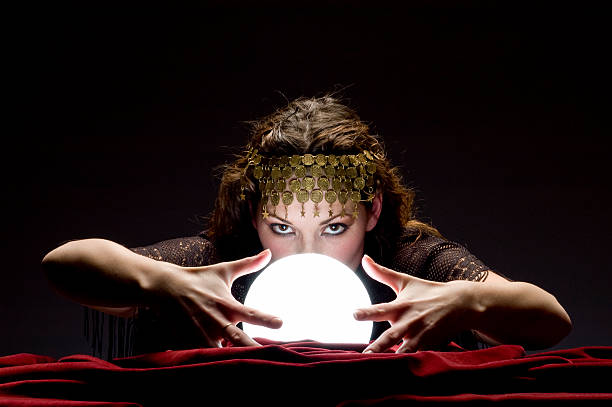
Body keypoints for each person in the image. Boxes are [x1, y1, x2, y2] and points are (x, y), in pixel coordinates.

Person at [41, 94, 572, 357]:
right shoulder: (213, 269)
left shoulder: (412, 265)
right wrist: (161, 282)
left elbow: (551, 320)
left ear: (373, 212)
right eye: (282, 227)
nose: (307, 253)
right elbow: (63, 263)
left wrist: (467, 301)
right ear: (254, 216)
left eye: (336, 228)